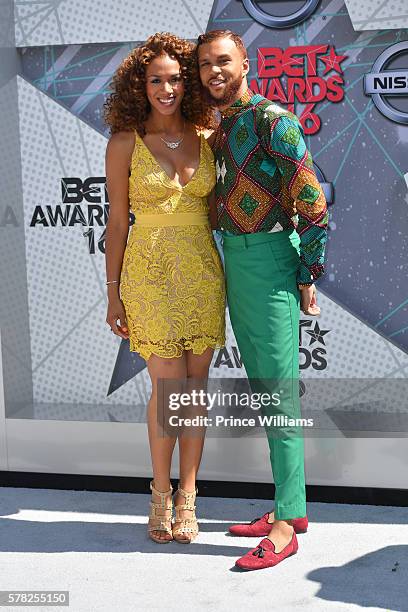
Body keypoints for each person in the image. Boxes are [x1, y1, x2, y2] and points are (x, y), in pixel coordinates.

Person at [197, 29, 328, 570]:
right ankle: (288, 508)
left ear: (246, 62)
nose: (213, 72)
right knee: (265, 391)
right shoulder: (213, 127)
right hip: (233, 262)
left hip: (272, 260)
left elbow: (315, 206)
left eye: (223, 61)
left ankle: (286, 524)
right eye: (204, 64)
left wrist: (306, 275)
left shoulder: (276, 121)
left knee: (279, 396)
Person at [104, 32, 225, 544]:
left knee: (194, 392)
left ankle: (188, 497)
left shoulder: (207, 133)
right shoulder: (125, 140)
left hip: (201, 270)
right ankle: (158, 491)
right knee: (167, 388)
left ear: (187, 83)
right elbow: (116, 222)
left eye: (176, 78)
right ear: (141, 84)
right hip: (148, 274)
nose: (167, 88)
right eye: (157, 79)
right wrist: (113, 292)